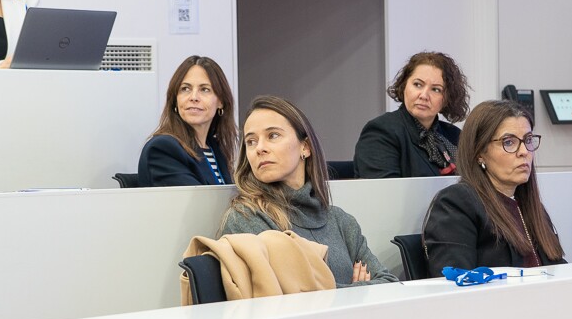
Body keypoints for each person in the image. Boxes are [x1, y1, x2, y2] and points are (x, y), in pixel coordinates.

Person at [219, 95, 397, 287]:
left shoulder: (340, 221)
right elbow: (294, 296)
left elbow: (389, 284)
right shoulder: (245, 218)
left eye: (273, 135)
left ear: (305, 147)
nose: (259, 148)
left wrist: (339, 291)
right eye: (251, 141)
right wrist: (357, 290)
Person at [423, 99, 565, 274]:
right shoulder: (456, 203)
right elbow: (455, 280)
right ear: (479, 153)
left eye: (528, 140)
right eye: (509, 142)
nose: (524, 152)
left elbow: (559, 270)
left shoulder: (532, 207)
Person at [353, 51, 471, 178]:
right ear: (404, 86)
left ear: (447, 98)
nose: (424, 96)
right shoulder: (381, 131)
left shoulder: (454, 136)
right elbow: (383, 189)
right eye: (417, 85)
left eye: (436, 89)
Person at [137, 56, 237, 186]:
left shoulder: (216, 149)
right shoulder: (163, 148)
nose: (194, 97)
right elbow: (197, 199)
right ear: (175, 100)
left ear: (221, 101)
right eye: (185, 89)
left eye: (204, 89)